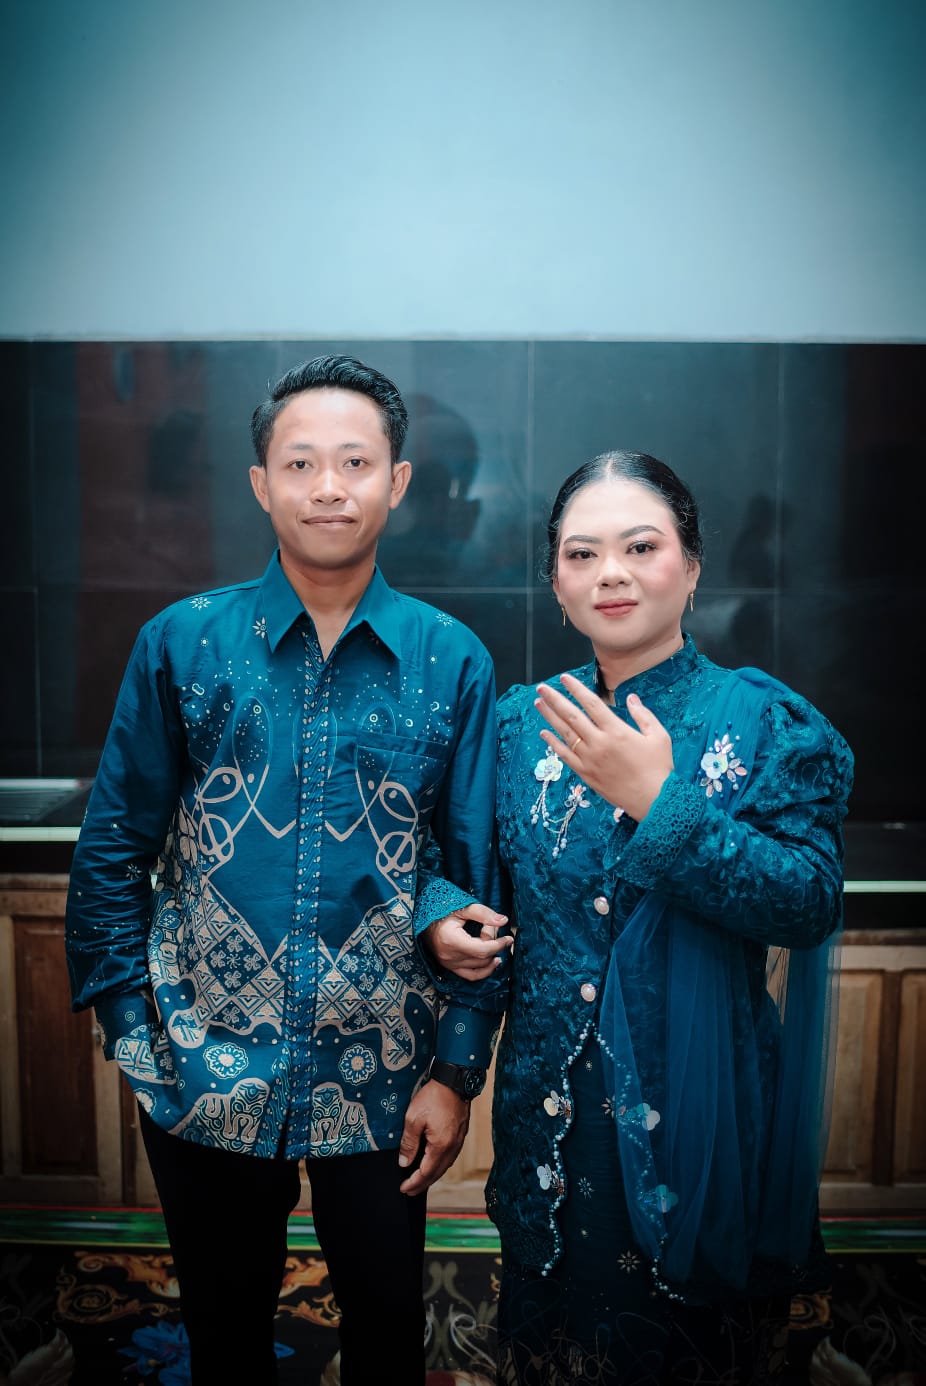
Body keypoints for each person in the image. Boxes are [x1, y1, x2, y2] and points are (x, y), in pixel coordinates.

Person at [64, 354, 509, 1385]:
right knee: (222, 1331)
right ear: (261, 484)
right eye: (300, 463)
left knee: (388, 1327)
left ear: (397, 482)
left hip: (385, 1069)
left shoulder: (452, 659)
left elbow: (472, 871)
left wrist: (454, 1072)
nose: (328, 487)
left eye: (355, 461)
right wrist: (133, 1031)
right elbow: (114, 845)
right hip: (202, 1057)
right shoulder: (184, 643)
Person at [428, 450, 854, 1384]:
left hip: (697, 1116)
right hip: (547, 1116)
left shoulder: (766, 724)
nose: (610, 573)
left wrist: (662, 804)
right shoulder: (519, 727)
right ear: (556, 584)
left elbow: (809, 902)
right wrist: (443, 924)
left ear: (692, 567)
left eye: (640, 547)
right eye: (581, 555)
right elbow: (459, 877)